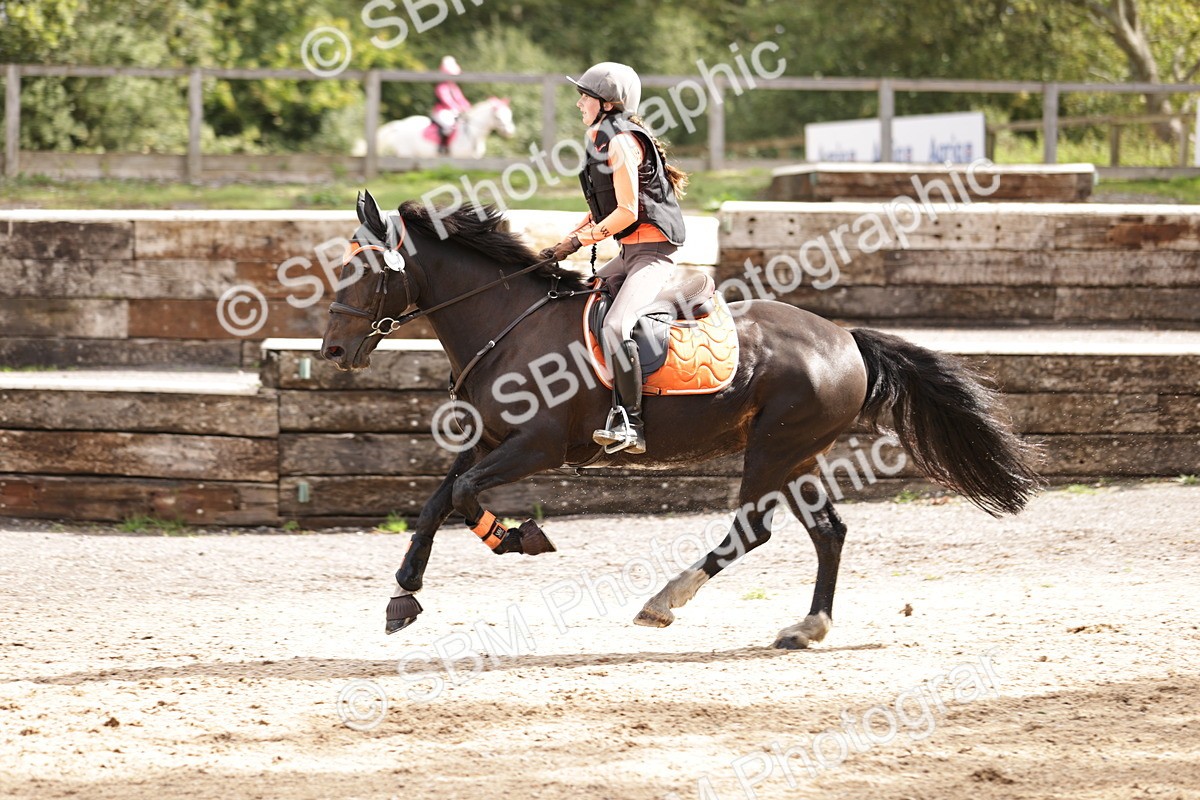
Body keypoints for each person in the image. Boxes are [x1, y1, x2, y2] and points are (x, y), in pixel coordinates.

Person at [540, 61, 689, 456]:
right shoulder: (602, 139)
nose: (578, 104)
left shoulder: (622, 142)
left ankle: (630, 422)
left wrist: (577, 244)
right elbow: (601, 208)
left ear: (607, 103)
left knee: (616, 326)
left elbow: (625, 212)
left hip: (653, 255)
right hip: (629, 253)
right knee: (574, 303)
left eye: (584, 97)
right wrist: (567, 239)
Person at [432, 55, 471, 155]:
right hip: (442, 111)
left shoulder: (454, 87)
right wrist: (457, 108)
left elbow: (460, 99)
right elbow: (447, 100)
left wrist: (467, 107)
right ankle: (443, 146)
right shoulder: (442, 86)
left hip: (453, 111)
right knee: (448, 125)